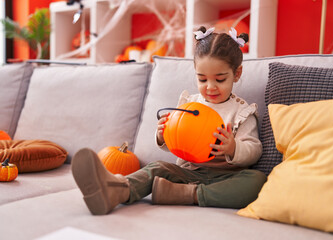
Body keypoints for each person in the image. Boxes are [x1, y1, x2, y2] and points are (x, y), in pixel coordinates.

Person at [71, 26, 267, 215]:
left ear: (237, 74)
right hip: (188, 173)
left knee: (257, 180)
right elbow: (178, 145)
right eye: (202, 79)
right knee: (157, 168)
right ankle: (116, 189)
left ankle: (186, 194)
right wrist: (163, 135)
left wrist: (233, 148)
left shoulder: (242, 112)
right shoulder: (189, 105)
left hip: (226, 178)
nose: (210, 87)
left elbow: (254, 150)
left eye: (220, 79)